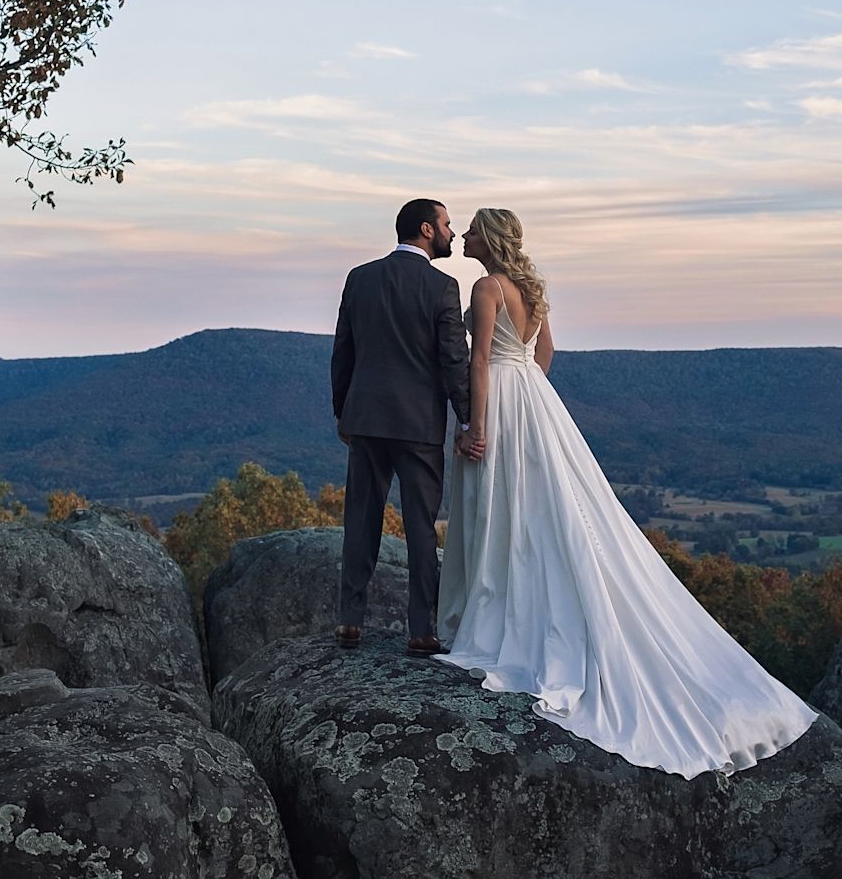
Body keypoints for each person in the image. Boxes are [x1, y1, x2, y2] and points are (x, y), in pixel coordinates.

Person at [433, 207, 817, 778]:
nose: (460, 235)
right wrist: (533, 395)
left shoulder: (487, 286)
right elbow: (545, 354)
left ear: (486, 240)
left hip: (503, 402)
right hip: (535, 401)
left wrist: (479, 425)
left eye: (469, 230)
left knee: (502, 508)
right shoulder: (532, 291)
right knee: (543, 510)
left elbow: (483, 358)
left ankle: (491, 606)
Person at [329, 197, 476, 657]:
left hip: (366, 419)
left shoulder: (360, 278)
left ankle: (350, 621)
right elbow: (454, 360)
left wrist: (343, 413)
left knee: (361, 521)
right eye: (448, 224)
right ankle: (420, 630)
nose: (453, 232)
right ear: (427, 230)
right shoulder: (442, 287)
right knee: (420, 527)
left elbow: (343, 352)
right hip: (418, 425)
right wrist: (469, 417)